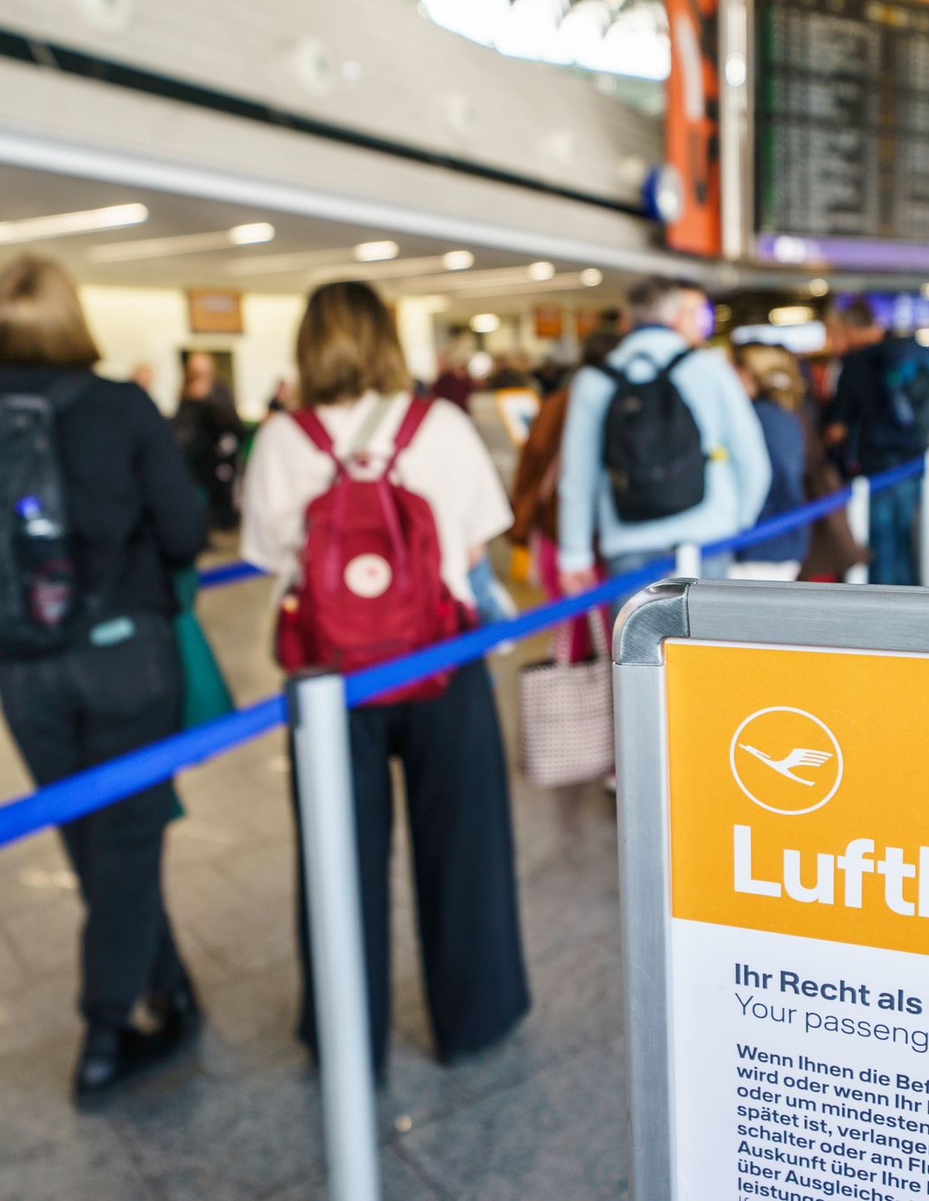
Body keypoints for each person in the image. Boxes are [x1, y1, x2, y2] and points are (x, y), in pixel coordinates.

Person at [240, 280, 528, 1074]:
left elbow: (267, 555)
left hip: (328, 674)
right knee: (464, 848)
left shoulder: (281, 437)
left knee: (337, 857)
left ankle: (345, 1034)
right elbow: (474, 546)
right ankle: (474, 1018)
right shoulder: (439, 424)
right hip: (441, 659)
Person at [0, 257, 207, 1103]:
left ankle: (172, 987)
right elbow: (185, 532)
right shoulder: (119, 406)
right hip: (124, 652)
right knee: (128, 839)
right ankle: (105, 1031)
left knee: (90, 838)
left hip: (21, 665)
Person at [557, 277, 771, 614]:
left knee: (638, 646)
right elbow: (751, 457)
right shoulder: (710, 367)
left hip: (628, 542)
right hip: (708, 534)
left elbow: (577, 476)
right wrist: (739, 522)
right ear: (675, 315)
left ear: (626, 318)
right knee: (709, 643)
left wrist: (575, 553)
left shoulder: (593, 381)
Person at [510, 327, 623, 660]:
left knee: (571, 630)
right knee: (615, 635)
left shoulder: (556, 403)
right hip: (608, 534)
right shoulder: (621, 401)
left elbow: (529, 466)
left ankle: (579, 690)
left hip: (554, 530)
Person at [825, 301, 929, 585]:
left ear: (851, 328)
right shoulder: (907, 352)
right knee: (904, 538)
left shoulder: (854, 364)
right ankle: (910, 596)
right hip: (912, 460)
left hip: (876, 466)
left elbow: (837, 428)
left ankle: (886, 606)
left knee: (881, 543)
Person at [728, 341, 808, 581]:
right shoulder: (783, 413)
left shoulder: (757, 417)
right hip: (780, 538)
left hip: (761, 544)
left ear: (747, 373)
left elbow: (762, 480)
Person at [172, 351, 245, 530]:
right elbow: (182, 423)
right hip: (196, 458)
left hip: (219, 457)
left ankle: (224, 523)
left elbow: (232, 424)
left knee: (221, 497)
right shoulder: (185, 391)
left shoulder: (219, 390)